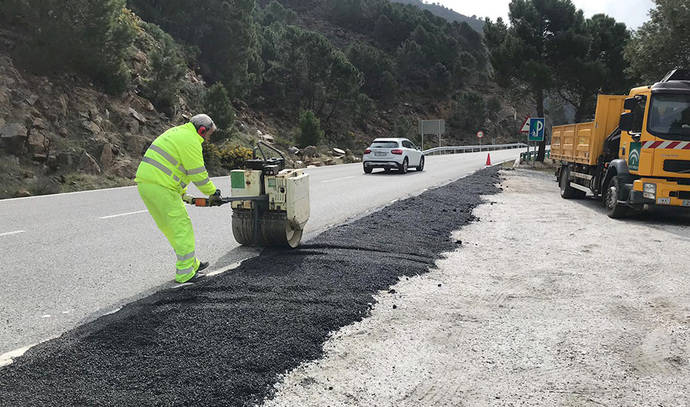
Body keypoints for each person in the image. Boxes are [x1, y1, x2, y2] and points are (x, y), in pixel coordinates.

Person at [135, 114, 222, 283]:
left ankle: (191, 263)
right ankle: (184, 273)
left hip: (148, 184)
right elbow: (198, 174)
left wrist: (185, 196)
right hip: (162, 187)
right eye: (208, 134)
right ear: (202, 130)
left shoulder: (178, 133)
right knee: (182, 228)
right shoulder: (191, 140)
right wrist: (212, 193)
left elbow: (172, 168)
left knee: (171, 228)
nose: (208, 139)